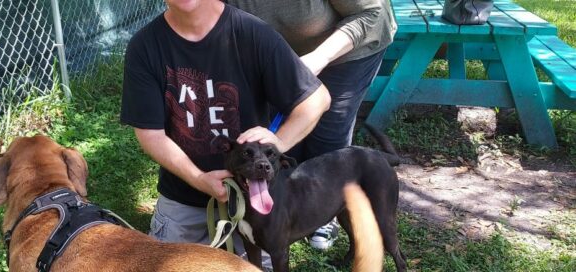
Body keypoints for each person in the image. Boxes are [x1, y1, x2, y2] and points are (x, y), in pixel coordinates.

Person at [120, 0, 330, 261]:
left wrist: (278, 142)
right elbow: (150, 134)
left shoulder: (253, 34)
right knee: (163, 265)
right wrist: (198, 178)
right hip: (184, 197)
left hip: (254, 198)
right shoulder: (145, 46)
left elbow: (316, 99)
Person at [226, 0, 397, 250]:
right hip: (277, 57)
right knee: (282, 140)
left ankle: (325, 213)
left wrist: (320, 57)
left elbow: (372, 13)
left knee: (328, 135)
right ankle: (278, 215)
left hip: (349, 48)